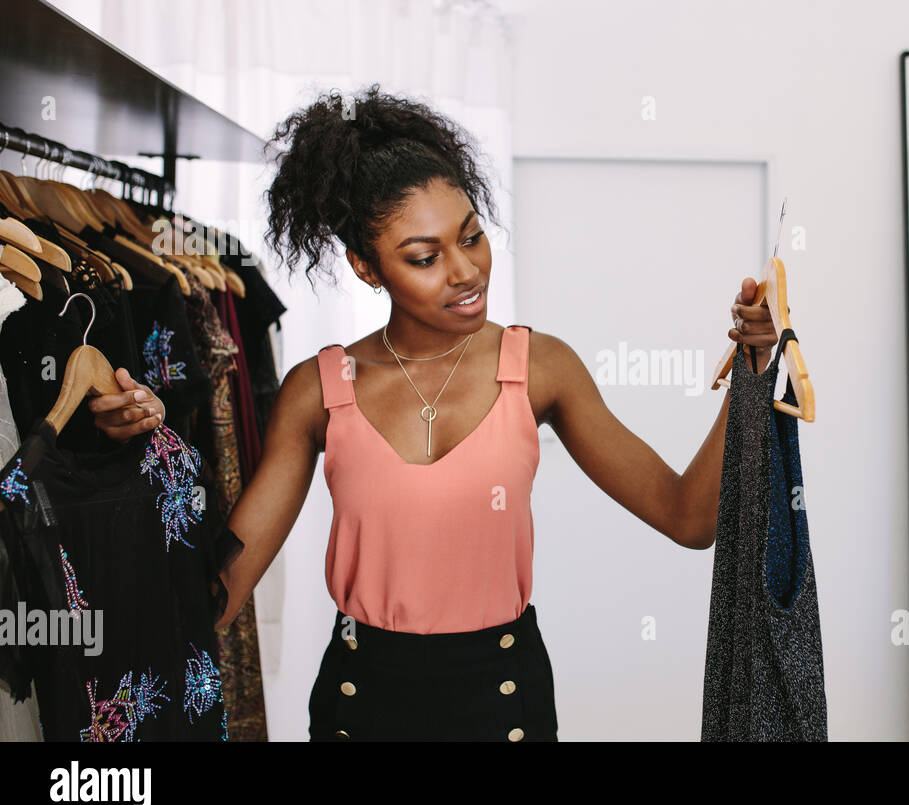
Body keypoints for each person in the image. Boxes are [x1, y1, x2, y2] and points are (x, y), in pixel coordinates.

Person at [87, 85, 778, 741]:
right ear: (366, 266)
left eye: (471, 237)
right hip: (360, 704)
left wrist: (750, 372)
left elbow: (690, 518)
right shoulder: (317, 389)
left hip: (504, 700)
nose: (465, 271)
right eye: (424, 257)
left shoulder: (539, 368)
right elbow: (217, 596)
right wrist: (145, 452)